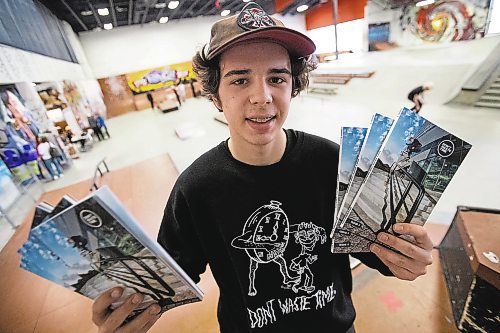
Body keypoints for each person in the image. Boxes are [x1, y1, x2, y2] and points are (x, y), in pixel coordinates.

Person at [92, 3, 433, 332]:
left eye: (277, 78)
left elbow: (374, 252)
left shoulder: (333, 163)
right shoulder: (196, 187)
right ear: (215, 95)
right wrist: (123, 307)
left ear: (293, 85)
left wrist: (405, 257)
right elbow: (170, 280)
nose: (263, 96)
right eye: (240, 80)